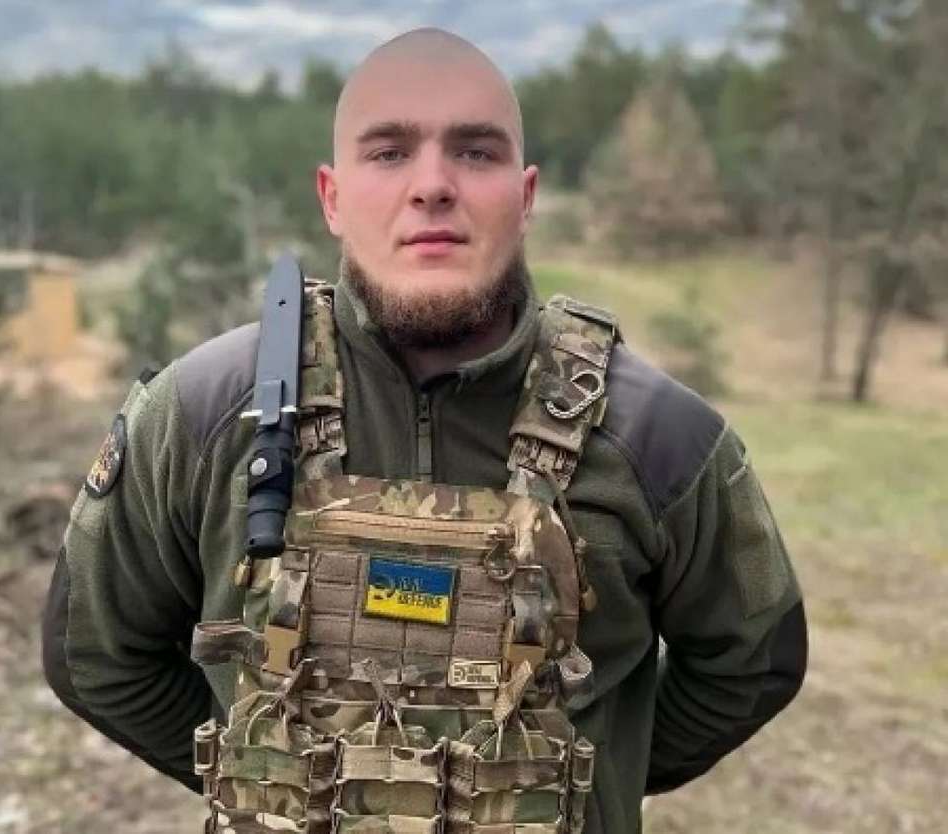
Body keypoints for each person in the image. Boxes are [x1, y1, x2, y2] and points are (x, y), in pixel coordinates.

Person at [42, 27, 807, 834]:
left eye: (475, 152)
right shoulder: (201, 415)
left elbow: (752, 664)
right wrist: (262, 774)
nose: (433, 186)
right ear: (333, 197)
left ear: (526, 195)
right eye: (389, 153)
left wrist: (589, 780)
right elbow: (94, 655)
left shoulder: (660, 438)